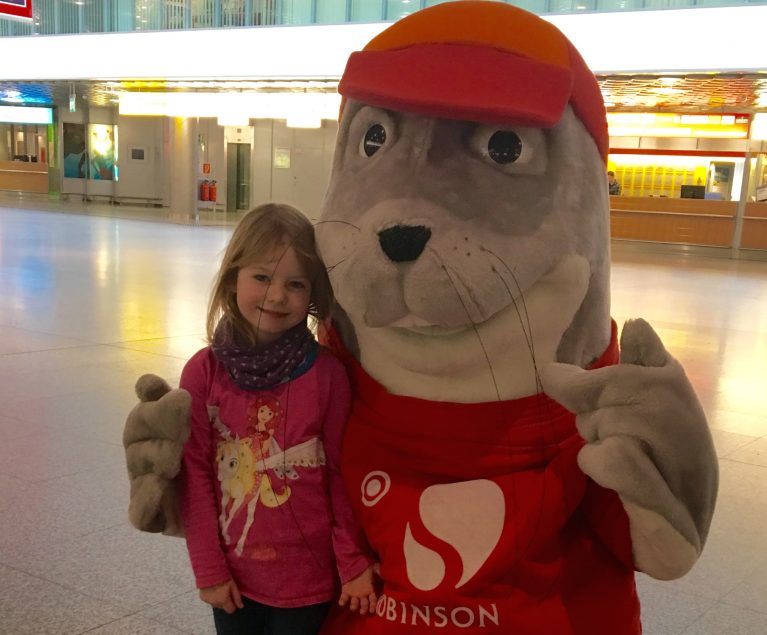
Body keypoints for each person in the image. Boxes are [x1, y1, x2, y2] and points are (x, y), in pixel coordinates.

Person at [179, 203, 377, 635]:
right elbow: (193, 476)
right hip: (234, 580)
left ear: (312, 294)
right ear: (233, 277)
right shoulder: (202, 373)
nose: (276, 295)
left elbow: (343, 474)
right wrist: (208, 570)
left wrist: (352, 559)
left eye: (295, 284)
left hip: (309, 581)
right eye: (262, 277)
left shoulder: (328, 376)